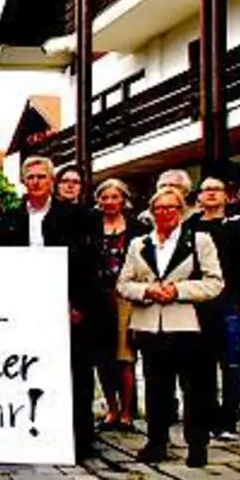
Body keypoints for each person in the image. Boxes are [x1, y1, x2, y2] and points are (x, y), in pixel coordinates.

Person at [0, 156, 101, 460]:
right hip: (24, 307)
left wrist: (78, 304)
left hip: (67, 304)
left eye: (42, 176)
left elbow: (88, 264)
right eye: (31, 177)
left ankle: (80, 437)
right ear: (23, 181)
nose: (36, 182)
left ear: (52, 181)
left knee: (75, 371)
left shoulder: (77, 216)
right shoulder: (10, 218)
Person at [115, 187, 224, 467]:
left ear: (182, 211)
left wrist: (179, 290)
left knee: (195, 389)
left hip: (188, 324)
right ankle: (156, 441)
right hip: (149, 325)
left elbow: (214, 282)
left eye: (171, 208)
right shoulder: (139, 244)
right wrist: (147, 290)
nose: (165, 213)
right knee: (156, 388)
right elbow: (123, 283)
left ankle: (197, 444)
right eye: (159, 208)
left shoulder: (199, 241)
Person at [188, 176, 240, 440]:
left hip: (232, 302)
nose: (210, 194)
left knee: (231, 363)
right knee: (202, 364)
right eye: (205, 190)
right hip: (200, 303)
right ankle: (207, 415)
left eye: (216, 190)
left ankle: (229, 419)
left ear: (226, 196)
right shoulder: (190, 227)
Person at [92, 179, 147, 432]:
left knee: (125, 357)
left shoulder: (137, 228)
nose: (110, 202)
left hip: (127, 297)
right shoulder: (92, 226)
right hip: (98, 296)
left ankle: (126, 412)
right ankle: (111, 410)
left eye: (115, 197)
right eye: (105, 197)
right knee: (102, 357)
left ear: (123, 199)